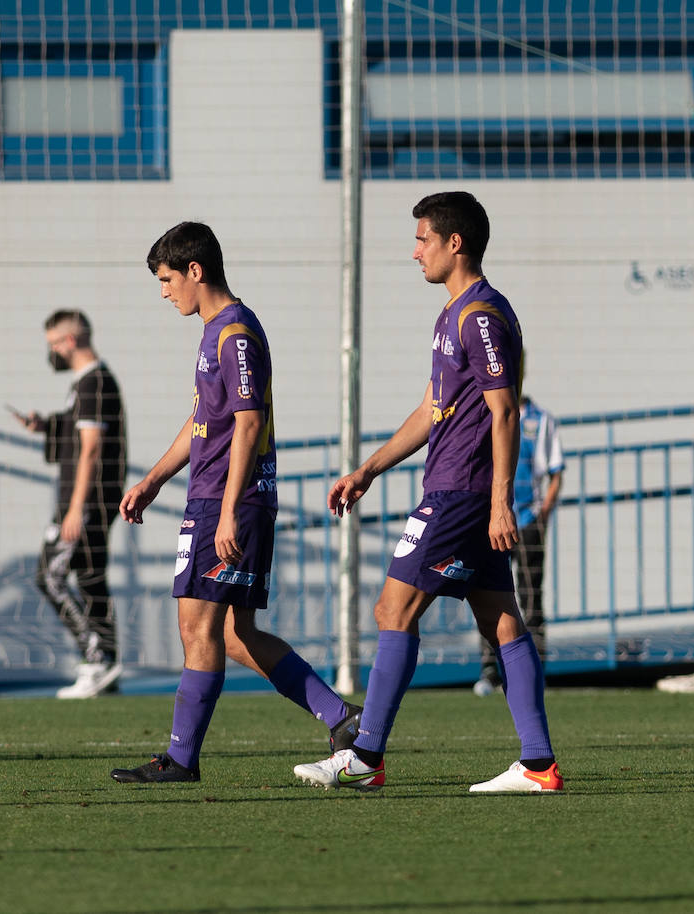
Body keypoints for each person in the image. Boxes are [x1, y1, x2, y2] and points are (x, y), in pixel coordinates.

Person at [293, 191, 561, 793]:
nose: (414, 252)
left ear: (454, 243)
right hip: (458, 489)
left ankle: (365, 757)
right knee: (502, 623)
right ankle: (539, 764)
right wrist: (369, 469)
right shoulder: (453, 315)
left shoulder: (482, 316)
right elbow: (431, 409)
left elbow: (506, 411)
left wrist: (499, 501)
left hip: (461, 494)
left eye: (422, 239)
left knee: (394, 609)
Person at [109, 221, 360, 784]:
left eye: (168, 279)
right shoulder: (215, 331)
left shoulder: (236, 333)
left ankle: (180, 759)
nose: (164, 291)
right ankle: (341, 718)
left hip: (228, 502)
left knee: (197, 627)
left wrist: (226, 509)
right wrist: (152, 479)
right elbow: (207, 421)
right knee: (231, 633)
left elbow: (248, 423)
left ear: (196, 271)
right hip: (220, 497)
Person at [12, 310, 127, 699]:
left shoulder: (94, 382)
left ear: (69, 342)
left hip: (85, 501)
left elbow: (91, 448)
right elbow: (79, 431)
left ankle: (97, 660)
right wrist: (47, 426)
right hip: (87, 500)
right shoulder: (86, 384)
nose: (52, 353)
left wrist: (76, 508)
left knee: (50, 575)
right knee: (91, 577)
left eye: (53, 345)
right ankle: (105, 664)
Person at [474, 364, 564, 697]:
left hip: (526, 522)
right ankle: (490, 670)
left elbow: (555, 472)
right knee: (487, 596)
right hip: (494, 522)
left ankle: (537, 668)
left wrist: (542, 515)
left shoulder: (541, 421)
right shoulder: (487, 410)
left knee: (531, 598)